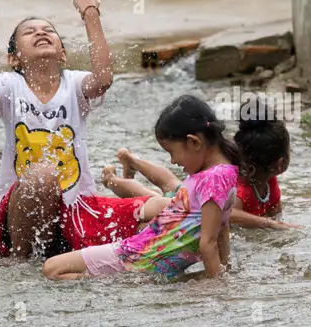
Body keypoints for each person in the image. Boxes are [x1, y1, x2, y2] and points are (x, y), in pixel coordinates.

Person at [0, 0, 149, 259]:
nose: (41, 32)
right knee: (44, 175)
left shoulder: (75, 85)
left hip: (75, 213)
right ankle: (18, 266)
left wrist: (90, 13)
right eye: (30, 32)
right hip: (19, 217)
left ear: (62, 53)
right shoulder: (10, 85)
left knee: (155, 212)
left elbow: (103, 79)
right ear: (14, 59)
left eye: (49, 30)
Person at [42, 95, 239, 281]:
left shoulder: (214, 179)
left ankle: (112, 282)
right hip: (146, 255)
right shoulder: (223, 173)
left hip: (138, 257)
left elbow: (208, 242)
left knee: (52, 269)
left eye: (172, 152)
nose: (173, 161)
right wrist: (225, 268)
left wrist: (217, 286)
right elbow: (222, 227)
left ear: (193, 142)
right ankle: (121, 280)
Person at [100, 95, 300, 230]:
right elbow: (228, 213)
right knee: (151, 194)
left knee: (170, 183)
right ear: (280, 164)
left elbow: (276, 215)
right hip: (189, 203)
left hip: (193, 196)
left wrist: (277, 225)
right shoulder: (241, 191)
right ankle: (111, 179)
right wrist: (268, 225)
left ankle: (133, 161)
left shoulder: (270, 184)